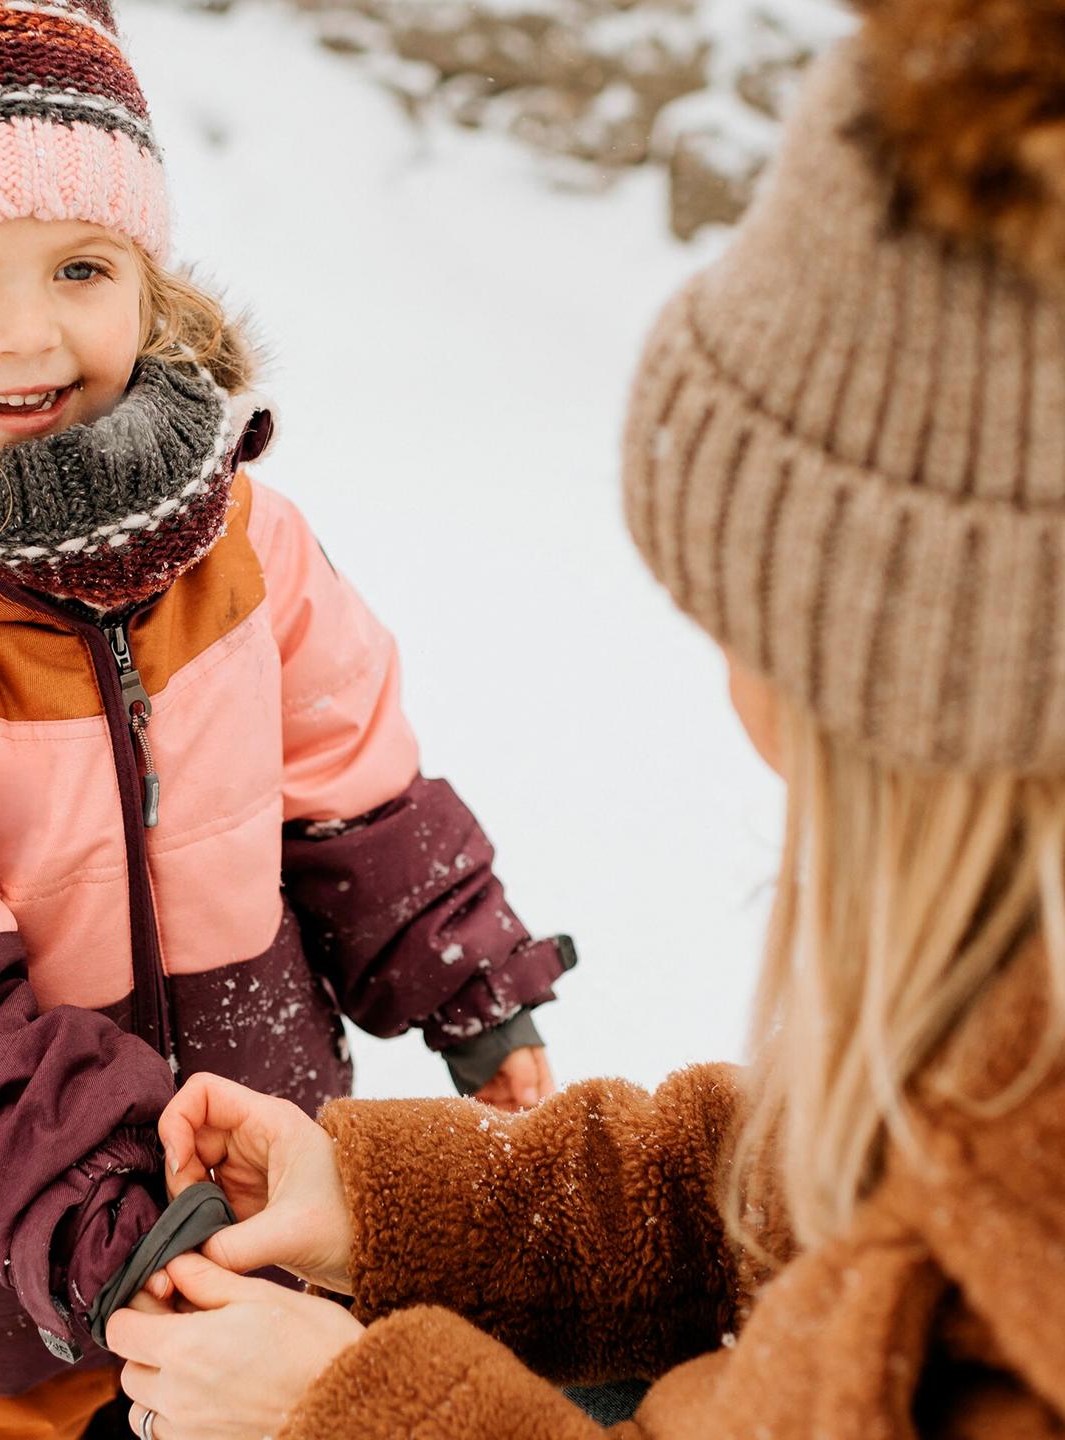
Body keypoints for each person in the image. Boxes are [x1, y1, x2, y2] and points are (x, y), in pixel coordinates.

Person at [106, 3, 1065, 1435]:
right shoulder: (1010, 1041)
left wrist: (355, 1415)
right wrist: (384, 1207)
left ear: (934, 680)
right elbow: (812, 1195)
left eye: (751, 630)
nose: (727, 676)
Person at [0, 2, 575, 1433]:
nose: (30, 334)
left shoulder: (240, 538)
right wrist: (112, 1213)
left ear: (151, 277)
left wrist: (466, 979)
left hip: (255, 1201)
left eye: (81, 266)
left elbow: (346, 777)